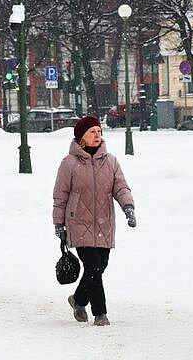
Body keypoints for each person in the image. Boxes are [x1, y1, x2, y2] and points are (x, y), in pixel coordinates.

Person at [52, 114, 134, 326]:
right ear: (82, 137)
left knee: (100, 264)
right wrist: (58, 224)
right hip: (78, 222)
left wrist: (128, 207)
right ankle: (100, 313)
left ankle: (78, 299)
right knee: (94, 267)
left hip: (104, 221)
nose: (97, 135)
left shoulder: (111, 161)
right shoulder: (69, 163)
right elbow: (60, 196)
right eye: (92, 132)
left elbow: (121, 187)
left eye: (99, 131)